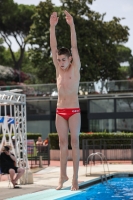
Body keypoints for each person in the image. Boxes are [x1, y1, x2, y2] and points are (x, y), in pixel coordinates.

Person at [50, 10, 81, 191]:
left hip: (74, 111)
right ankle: (62, 177)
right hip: (60, 111)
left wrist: (71, 25)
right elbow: (53, 47)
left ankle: (75, 179)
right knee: (62, 144)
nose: (61, 62)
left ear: (70, 59)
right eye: (59, 60)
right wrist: (52, 27)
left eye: (64, 59)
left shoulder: (74, 70)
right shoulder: (58, 71)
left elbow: (74, 47)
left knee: (74, 142)